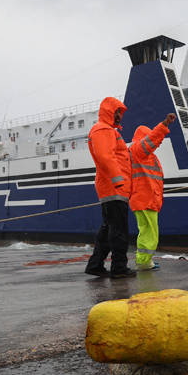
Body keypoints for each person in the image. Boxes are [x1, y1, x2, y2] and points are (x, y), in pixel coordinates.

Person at [84, 97, 135, 279]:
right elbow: (105, 157)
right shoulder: (103, 130)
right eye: (118, 112)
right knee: (118, 230)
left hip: (113, 187)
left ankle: (95, 265)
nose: (121, 116)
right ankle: (119, 268)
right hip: (114, 188)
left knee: (109, 229)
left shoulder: (107, 131)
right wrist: (118, 181)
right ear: (110, 112)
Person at [128, 113, 176, 270]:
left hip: (146, 199)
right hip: (145, 199)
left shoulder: (144, 155)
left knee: (147, 232)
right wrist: (164, 125)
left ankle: (145, 261)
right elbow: (151, 140)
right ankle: (143, 262)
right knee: (150, 234)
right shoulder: (138, 150)